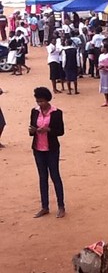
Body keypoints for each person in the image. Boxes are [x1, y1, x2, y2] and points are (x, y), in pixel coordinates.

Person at [28, 87, 65, 218]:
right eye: (38, 101)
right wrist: (33, 130)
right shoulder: (34, 111)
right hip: (38, 148)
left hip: (52, 149)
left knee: (55, 176)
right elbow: (31, 128)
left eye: (42, 101)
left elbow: (60, 131)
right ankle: (45, 207)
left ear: (47, 100)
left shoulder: (56, 113)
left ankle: (61, 206)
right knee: (42, 177)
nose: (39, 104)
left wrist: (48, 130)